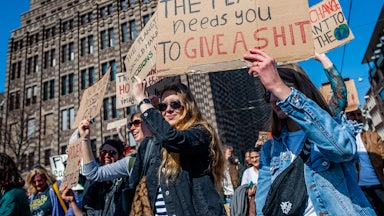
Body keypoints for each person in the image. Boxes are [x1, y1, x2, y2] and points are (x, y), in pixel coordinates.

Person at [243, 49, 375, 215]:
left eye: (281, 89)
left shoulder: (332, 127)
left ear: (302, 89)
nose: (273, 98)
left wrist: (323, 60)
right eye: (268, 93)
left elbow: (342, 150)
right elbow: (265, 205)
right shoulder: (269, 149)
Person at [79, 81, 226, 215]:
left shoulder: (200, 134)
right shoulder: (151, 148)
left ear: (188, 106)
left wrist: (143, 101)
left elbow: (172, 138)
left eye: (174, 104)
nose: (168, 110)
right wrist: (85, 138)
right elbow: (93, 173)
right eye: (163, 106)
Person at [62, 139, 127, 216]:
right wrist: (72, 201)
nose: (106, 155)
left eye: (112, 153)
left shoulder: (126, 182)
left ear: (120, 157)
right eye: (103, 152)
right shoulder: (92, 182)